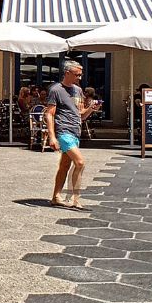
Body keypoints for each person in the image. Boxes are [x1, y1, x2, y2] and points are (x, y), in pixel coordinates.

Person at [45, 60, 97, 210]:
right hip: (63, 131)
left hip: (75, 131)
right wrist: (52, 136)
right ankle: (75, 199)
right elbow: (49, 114)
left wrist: (91, 109)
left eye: (81, 74)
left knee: (65, 165)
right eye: (77, 74)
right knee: (80, 162)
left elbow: (81, 115)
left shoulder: (77, 90)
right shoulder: (56, 90)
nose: (79, 77)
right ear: (67, 73)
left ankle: (56, 196)